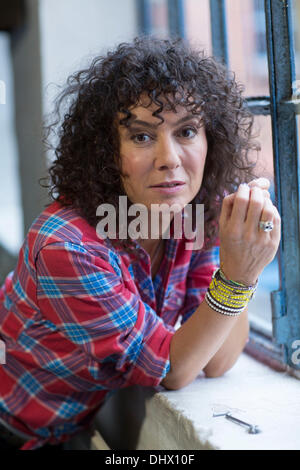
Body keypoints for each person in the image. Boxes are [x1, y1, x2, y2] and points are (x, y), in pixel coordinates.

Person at [0, 36, 280, 450]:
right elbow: (174, 368)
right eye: (142, 136)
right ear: (107, 151)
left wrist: (242, 262)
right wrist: (238, 275)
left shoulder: (190, 220)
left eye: (186, 131)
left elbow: (216, 360)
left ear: (211, 143)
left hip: (63, 426)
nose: (169, 158)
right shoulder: (68, 247)